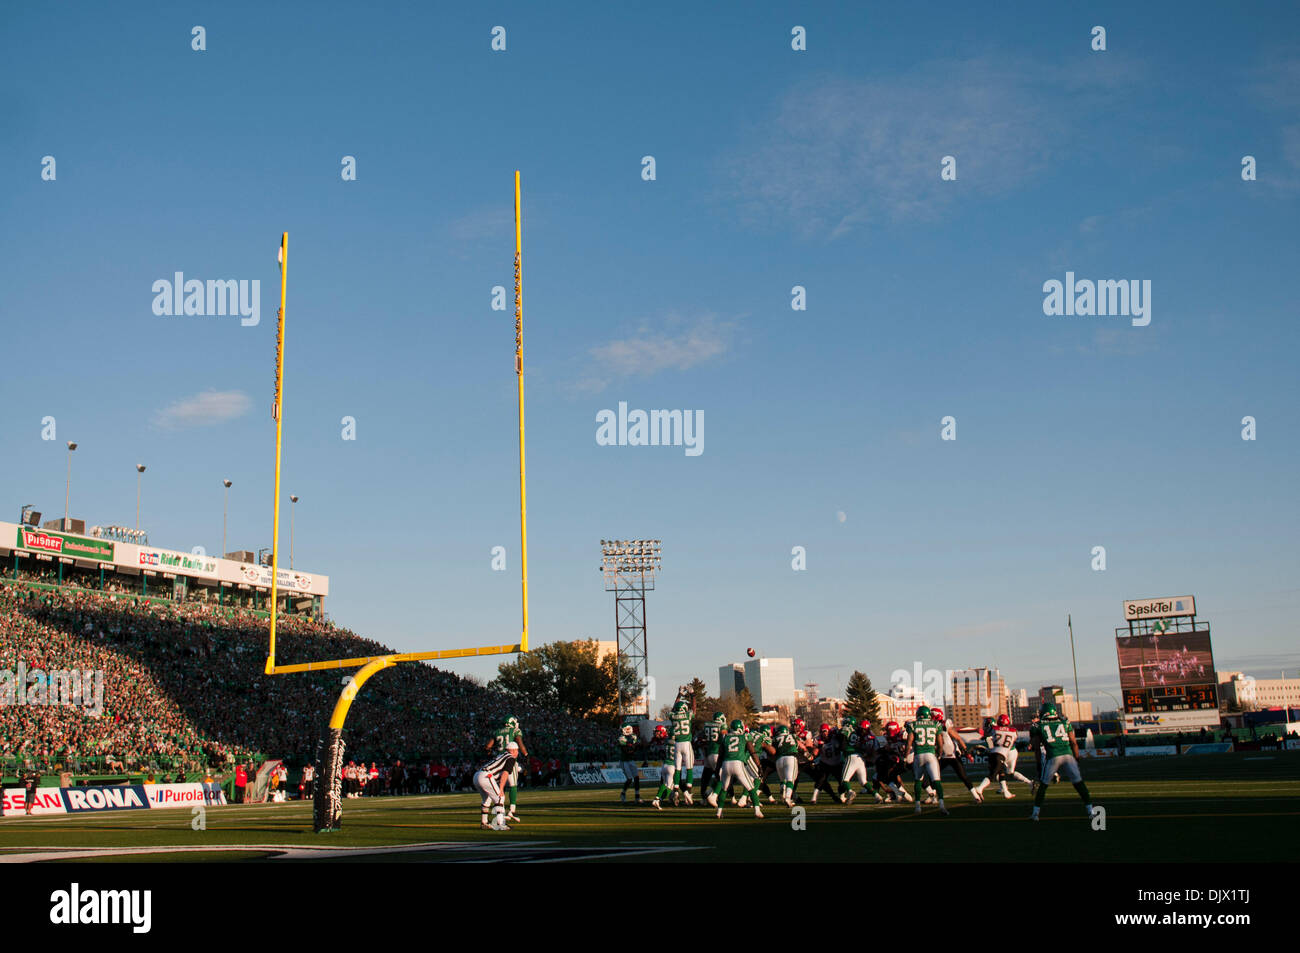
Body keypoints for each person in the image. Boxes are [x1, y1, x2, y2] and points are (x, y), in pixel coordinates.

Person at [1028, 703, 1095, 821]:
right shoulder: (1065, 722)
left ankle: (1035, 813)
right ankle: (1091, 811)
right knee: (1079, 784)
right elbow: (1074, 743)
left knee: (1043, 785)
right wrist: (1077, 758)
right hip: (1068, 755)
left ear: (1044, 712)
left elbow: (1037, 748)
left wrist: (1038, 764)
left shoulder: (1037, 725)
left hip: (1053, 756)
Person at [707, 719, 765, 819]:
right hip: (738, 764)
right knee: (750, 787)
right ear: (740, 727)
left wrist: (717, 770)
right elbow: (752, 752)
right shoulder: (745, 736)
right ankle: (757, 811)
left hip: (726, 764)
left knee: (724, 789)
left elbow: (720, 756)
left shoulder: (725, 737)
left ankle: (719, 812)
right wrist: (759, 765)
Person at [973, 714, 1035, 799]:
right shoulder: (1013, 731)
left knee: (998, 773)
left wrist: (986, 745)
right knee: (1002, 772)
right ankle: (1005, 790)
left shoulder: (993, 730)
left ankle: (983, 788)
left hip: (1003, 753)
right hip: (1007, 751)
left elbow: (991, 745)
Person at [905, 705, 948, 816]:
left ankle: (918, 807)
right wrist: (939, 753)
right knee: (936, 781)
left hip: (918, 755)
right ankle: (942, 806)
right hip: (930, 754)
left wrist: (905, 757)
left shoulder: (913, 724)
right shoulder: (935, 724)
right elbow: (940, 742)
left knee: (918, 781)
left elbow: (909, 742)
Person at [484, 716, 526, 822]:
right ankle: (512, 811)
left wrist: (491, 753)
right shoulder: (514, 730)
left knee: (497, 787)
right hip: (510, 759)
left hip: (499, 760)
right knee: (513, 785)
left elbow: (487, 747)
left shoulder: (497, 731)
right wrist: (526, 755)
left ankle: (494, 811)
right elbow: (520, 744)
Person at [474, 741, 519, 830]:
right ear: (513, 750)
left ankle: (484, 822)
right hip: (486, 776)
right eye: (517, 750)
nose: (518, 753)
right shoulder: (511, 758)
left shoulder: (501, 755)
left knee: (487, 800)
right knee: (500, 798)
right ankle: (501, 823)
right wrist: (501, 788)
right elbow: (505, 773)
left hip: (477, 775)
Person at [616, 723, 643, 804]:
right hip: (624, 761)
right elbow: (627, 750)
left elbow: (634, 747)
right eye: (626, 729)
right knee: (629, 779)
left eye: (628, 729)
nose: (628, 731)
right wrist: (634, 747)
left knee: (637, 778)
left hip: (630, 760)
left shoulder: (633, 737)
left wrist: (634, 747)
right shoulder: (621, 738)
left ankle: (637, 797)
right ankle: (623, 794)